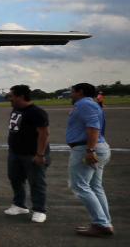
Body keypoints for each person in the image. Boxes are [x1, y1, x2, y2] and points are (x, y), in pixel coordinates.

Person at [66, 82, 113, 237]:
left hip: (86, 149)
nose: (70, 94)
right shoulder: (90, 104)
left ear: (80, 92)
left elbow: (93, 127)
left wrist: (90, 150)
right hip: (95, 147)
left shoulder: (85, 104)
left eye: (72, 91)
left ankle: (101, 223)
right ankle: (104, 223)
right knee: (95, 186)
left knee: (79, 185)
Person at [3, 85, 50, 223]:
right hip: (15, 152)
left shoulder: (37, 112)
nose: (9, 98)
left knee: (36, 182)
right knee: (15, 178)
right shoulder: (16, 109)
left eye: (11, 96)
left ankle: (39, 210)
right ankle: (19, 205)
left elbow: (44, 134)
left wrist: (40, 154)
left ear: (21, 96)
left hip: (32, 154)